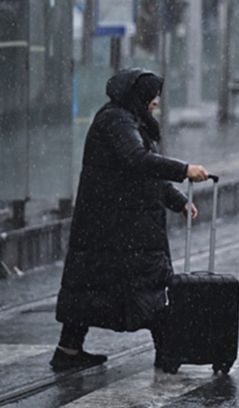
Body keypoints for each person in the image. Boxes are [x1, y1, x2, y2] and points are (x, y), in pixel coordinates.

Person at [52, 68, 209, 372]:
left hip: (109, 224)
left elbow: (141, 172)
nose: (156, 102)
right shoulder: (116, 121)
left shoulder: (127, 119)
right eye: (153, 96)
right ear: (138, 96)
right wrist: (184, 169)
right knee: (145, 288)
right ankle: (168, 353)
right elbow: (138, 162)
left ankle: (68, 350)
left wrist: (177, 200)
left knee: (90, 288)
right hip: (119, 227)